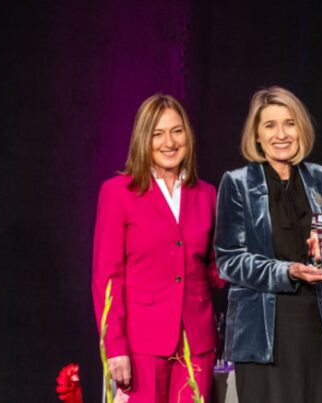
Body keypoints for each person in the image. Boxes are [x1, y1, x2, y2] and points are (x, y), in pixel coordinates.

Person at [215, 86, 322, 403]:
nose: (281, 134)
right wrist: (288, 271)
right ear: (257, 135)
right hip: (263, 333)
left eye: (289, 123)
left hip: (316, 328)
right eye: (270, 125)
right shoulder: (237, 182)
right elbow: (229, 261)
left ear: (300, 128)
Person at [92, 94, 225, 403]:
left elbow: (213, 270)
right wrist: (115, 347)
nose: (169, 142)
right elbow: (107, 278)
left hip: (196, 343)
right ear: (143, 139)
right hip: (141, 346)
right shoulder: (117, 193)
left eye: (177, 131)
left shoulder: (206, 194)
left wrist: (253, 251)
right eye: (158, 133)